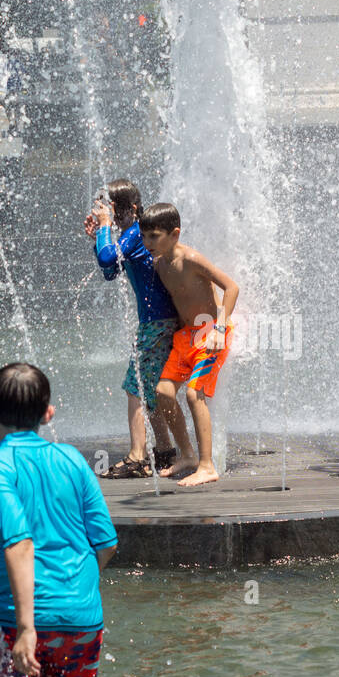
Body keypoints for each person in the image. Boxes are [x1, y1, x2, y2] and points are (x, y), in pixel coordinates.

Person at [0, 363, 141, 677]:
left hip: (17, 621)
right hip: (80, 618)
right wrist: (75, 590)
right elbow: (107, 542)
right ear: (48, 414)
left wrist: (26, 628)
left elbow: (19, 543)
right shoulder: (71, 459)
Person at [139, 203, 240, 487]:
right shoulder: (160, 263)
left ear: (175, 234)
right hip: (185, 337)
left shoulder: (191, 259)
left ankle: (207, 466)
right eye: (144, 236)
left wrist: (220, 328)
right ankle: (187, 455)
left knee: (195, 394)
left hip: (210, 335)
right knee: (163, 392)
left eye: (154, 236)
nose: (148, 243)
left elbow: (231, 287)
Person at [83, 179, 179, 478]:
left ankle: (138, 457)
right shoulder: (131, 235)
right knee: (146, 388)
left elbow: (108, 257)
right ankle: (164, 451)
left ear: (132, 209)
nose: (109, 216)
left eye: (112, 211)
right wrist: (100, 235)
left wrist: (103, 229)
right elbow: (110, 271)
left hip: (158, 322)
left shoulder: (138, 233)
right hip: (154, 322)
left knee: (134, 387)